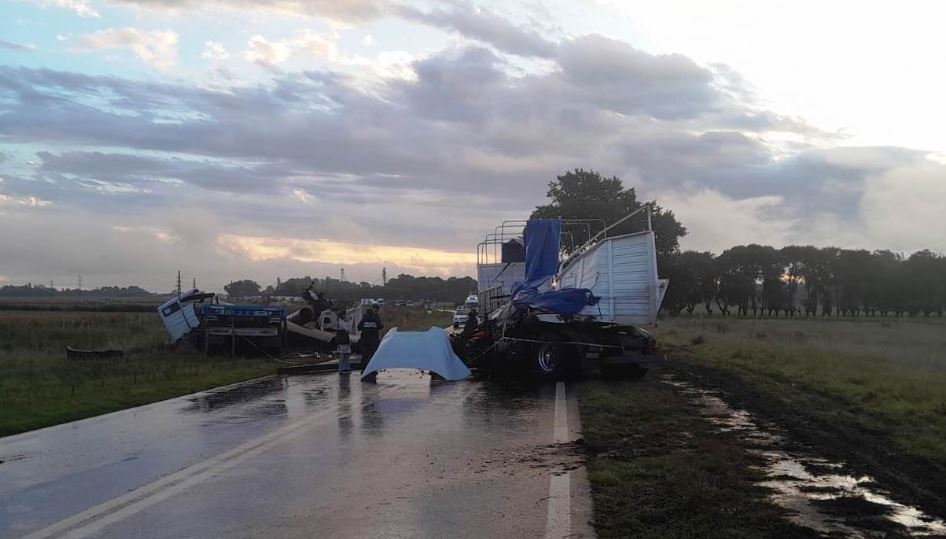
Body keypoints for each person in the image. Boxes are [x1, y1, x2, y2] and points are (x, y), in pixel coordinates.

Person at [357, 308, 383, 372]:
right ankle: (372, 369)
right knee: (373, 355)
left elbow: (359, 328)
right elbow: (381, 327)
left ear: (367, 313)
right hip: (373, 341)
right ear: (372, 314)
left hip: (365, 340)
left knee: (364, 355)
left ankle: (364, 369)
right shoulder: (375, 320)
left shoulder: (364, 320)